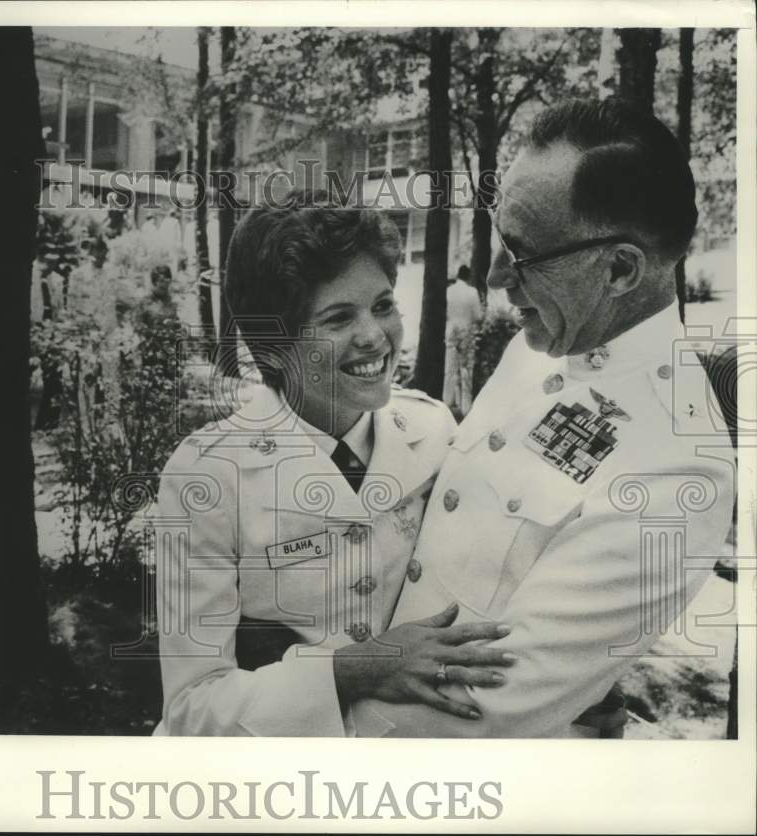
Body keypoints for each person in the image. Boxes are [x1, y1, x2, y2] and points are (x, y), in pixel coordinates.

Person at [350, 97, 736, 737]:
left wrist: (290, 718)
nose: (497, 273)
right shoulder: (542, 342)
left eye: (523, 252)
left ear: (618, 269)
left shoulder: (673, 470)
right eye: (502, 237)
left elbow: (477, 712)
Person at [151, 192, 517, 736]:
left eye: (383, 305)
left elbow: (492, 588)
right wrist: (353, 669)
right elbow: (191, 712)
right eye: (338, 316)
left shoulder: (435, 430)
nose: (374, 336)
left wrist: (560, 688)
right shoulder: (209, 475)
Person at [442, 264, 484, 415]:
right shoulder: (472, 292)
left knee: (450, 369)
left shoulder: (448, 291)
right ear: (468, 277)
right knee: (466, 368)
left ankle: (446, 403)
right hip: (466, 330)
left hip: (451, 329)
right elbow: (478, 316)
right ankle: (466, 407)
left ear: (458, 275)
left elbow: (444, 313)